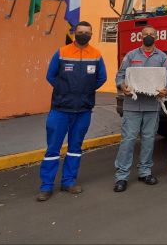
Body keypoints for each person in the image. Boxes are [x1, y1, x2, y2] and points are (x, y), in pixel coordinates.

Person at [37, 21, 107, 201]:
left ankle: (69, 181)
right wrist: (63, 91)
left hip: (83, 110)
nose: (84, 34)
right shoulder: (62, 52)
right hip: (60, 109)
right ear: (75, 32)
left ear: (91, 35)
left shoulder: (96, 55)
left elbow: (102, 78)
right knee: (53, 148)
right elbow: (50, 75)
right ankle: (46, 186)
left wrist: (85, 91)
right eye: (81, 31)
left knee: (75, 148)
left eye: (87, 32)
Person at [113, 26, 167, 192]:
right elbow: (120, 76)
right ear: (140, 36)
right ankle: (121, 176)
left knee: (148, 140)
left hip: (152, 106)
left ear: (156, 37)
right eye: (145, 34)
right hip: (132, 105)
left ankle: (145, 171)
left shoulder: (162, 57)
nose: (148, 37)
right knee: (128, 140)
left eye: (151, 34)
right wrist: (122, 86)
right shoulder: (131, 56)